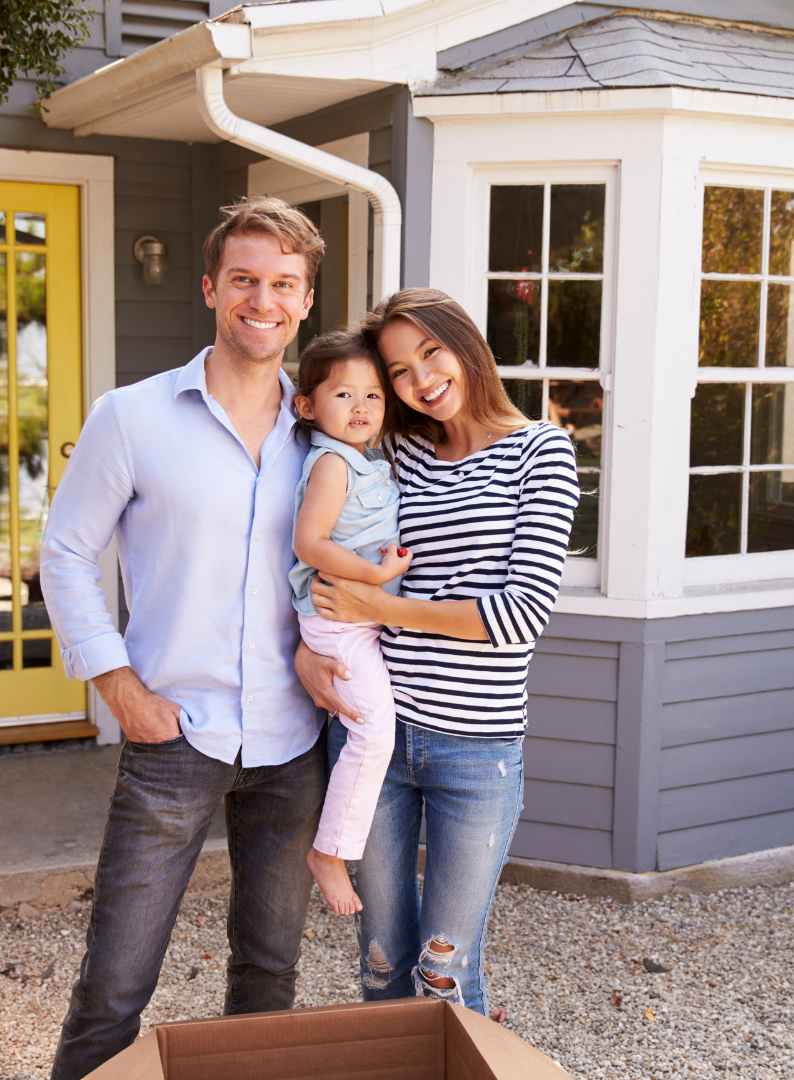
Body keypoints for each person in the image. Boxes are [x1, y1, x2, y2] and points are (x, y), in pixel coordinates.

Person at [41, 196, 332, 1080]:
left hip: (294, 739)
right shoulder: (132, 417)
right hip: (174, 735)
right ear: (211, 288)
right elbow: (64, 550)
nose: (263, 299)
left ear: (307, 301)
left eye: (284, 283)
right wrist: (115, 682)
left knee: (270, 972)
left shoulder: (325, 431)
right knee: (116, 984)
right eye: (245, 279)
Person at [300, 288, 580, 1016]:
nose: (420, 380)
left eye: (430, 353)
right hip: (375, 735)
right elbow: (311, 529)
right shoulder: (396, 452)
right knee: (380, 960)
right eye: (398, 371)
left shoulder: (541, 452)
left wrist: (381, 606)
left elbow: (520, 615)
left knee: (443, 970)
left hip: (477, 751)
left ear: (466, 343)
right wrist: (306, 655)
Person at [288, 329, 409, 916]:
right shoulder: (333, 464)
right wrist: (374, 577)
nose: (361, 408)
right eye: (343, 396)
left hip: (356, 618)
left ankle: (336, 846)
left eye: (373, 396)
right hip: (339, 619)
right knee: (372, 731)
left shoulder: (368, 460)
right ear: (307, 406)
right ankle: (330, 852)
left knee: (368, 727)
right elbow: (309, 542)